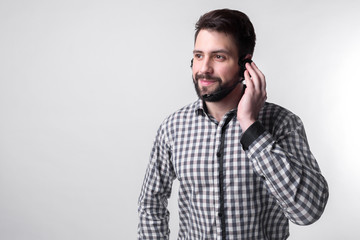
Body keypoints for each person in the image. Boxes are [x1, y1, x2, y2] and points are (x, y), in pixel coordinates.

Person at [137, 8, 329, 240]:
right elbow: (151, 205)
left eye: (219, 57)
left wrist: (251, 127)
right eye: (199, 55)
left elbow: (307, 212)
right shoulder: (173, 128)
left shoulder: (283, 124)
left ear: (245, 64)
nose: (204, 68)